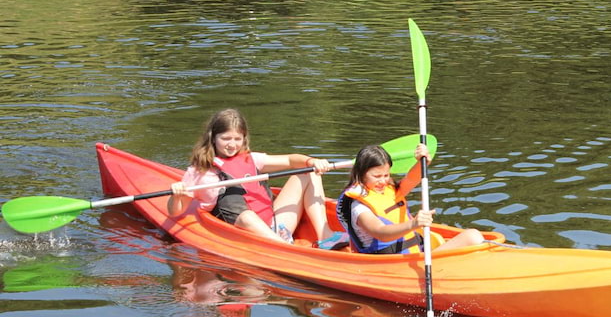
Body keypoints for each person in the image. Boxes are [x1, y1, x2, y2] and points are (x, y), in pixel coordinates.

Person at [168, 108, 347, 249]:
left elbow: (290, 160)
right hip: (246, 233)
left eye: (237, 139)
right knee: (239, 207)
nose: (232, 144)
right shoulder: (200, 172)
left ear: (244, 138)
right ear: (213, 138)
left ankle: (325, 236)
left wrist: (311, 161)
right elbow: (175, 212)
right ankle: (284, 248)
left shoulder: (252, 159)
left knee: (308, 171)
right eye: (225, 138)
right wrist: (176, 195)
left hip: (276, 225)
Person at [337, 142, 484, 254]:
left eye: (386, 175)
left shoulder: (388, 190)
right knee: (473, 237)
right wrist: (413, 224)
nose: (383, 181)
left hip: (413, 253)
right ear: (361, 174)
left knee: (474, 236)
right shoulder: (359, 206)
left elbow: (412, 180)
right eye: (377, 176)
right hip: (388, 263)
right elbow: (381, 232)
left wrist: (423, 162)